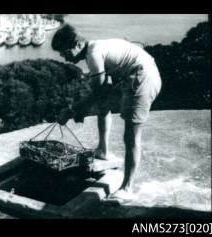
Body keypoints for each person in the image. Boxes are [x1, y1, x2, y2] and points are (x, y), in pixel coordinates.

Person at [51, 24, 162, 202]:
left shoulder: (94, 54)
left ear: (78, 45)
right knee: (103, 106)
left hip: (143, 77)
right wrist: (81, 109)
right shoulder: (95, 48)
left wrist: (72, 110)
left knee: (131, 135)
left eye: (65, 52)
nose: (64, 58)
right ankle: (103, 149)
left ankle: (127, 188)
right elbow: (104, 92)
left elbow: (99, 92)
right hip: (136, 74)